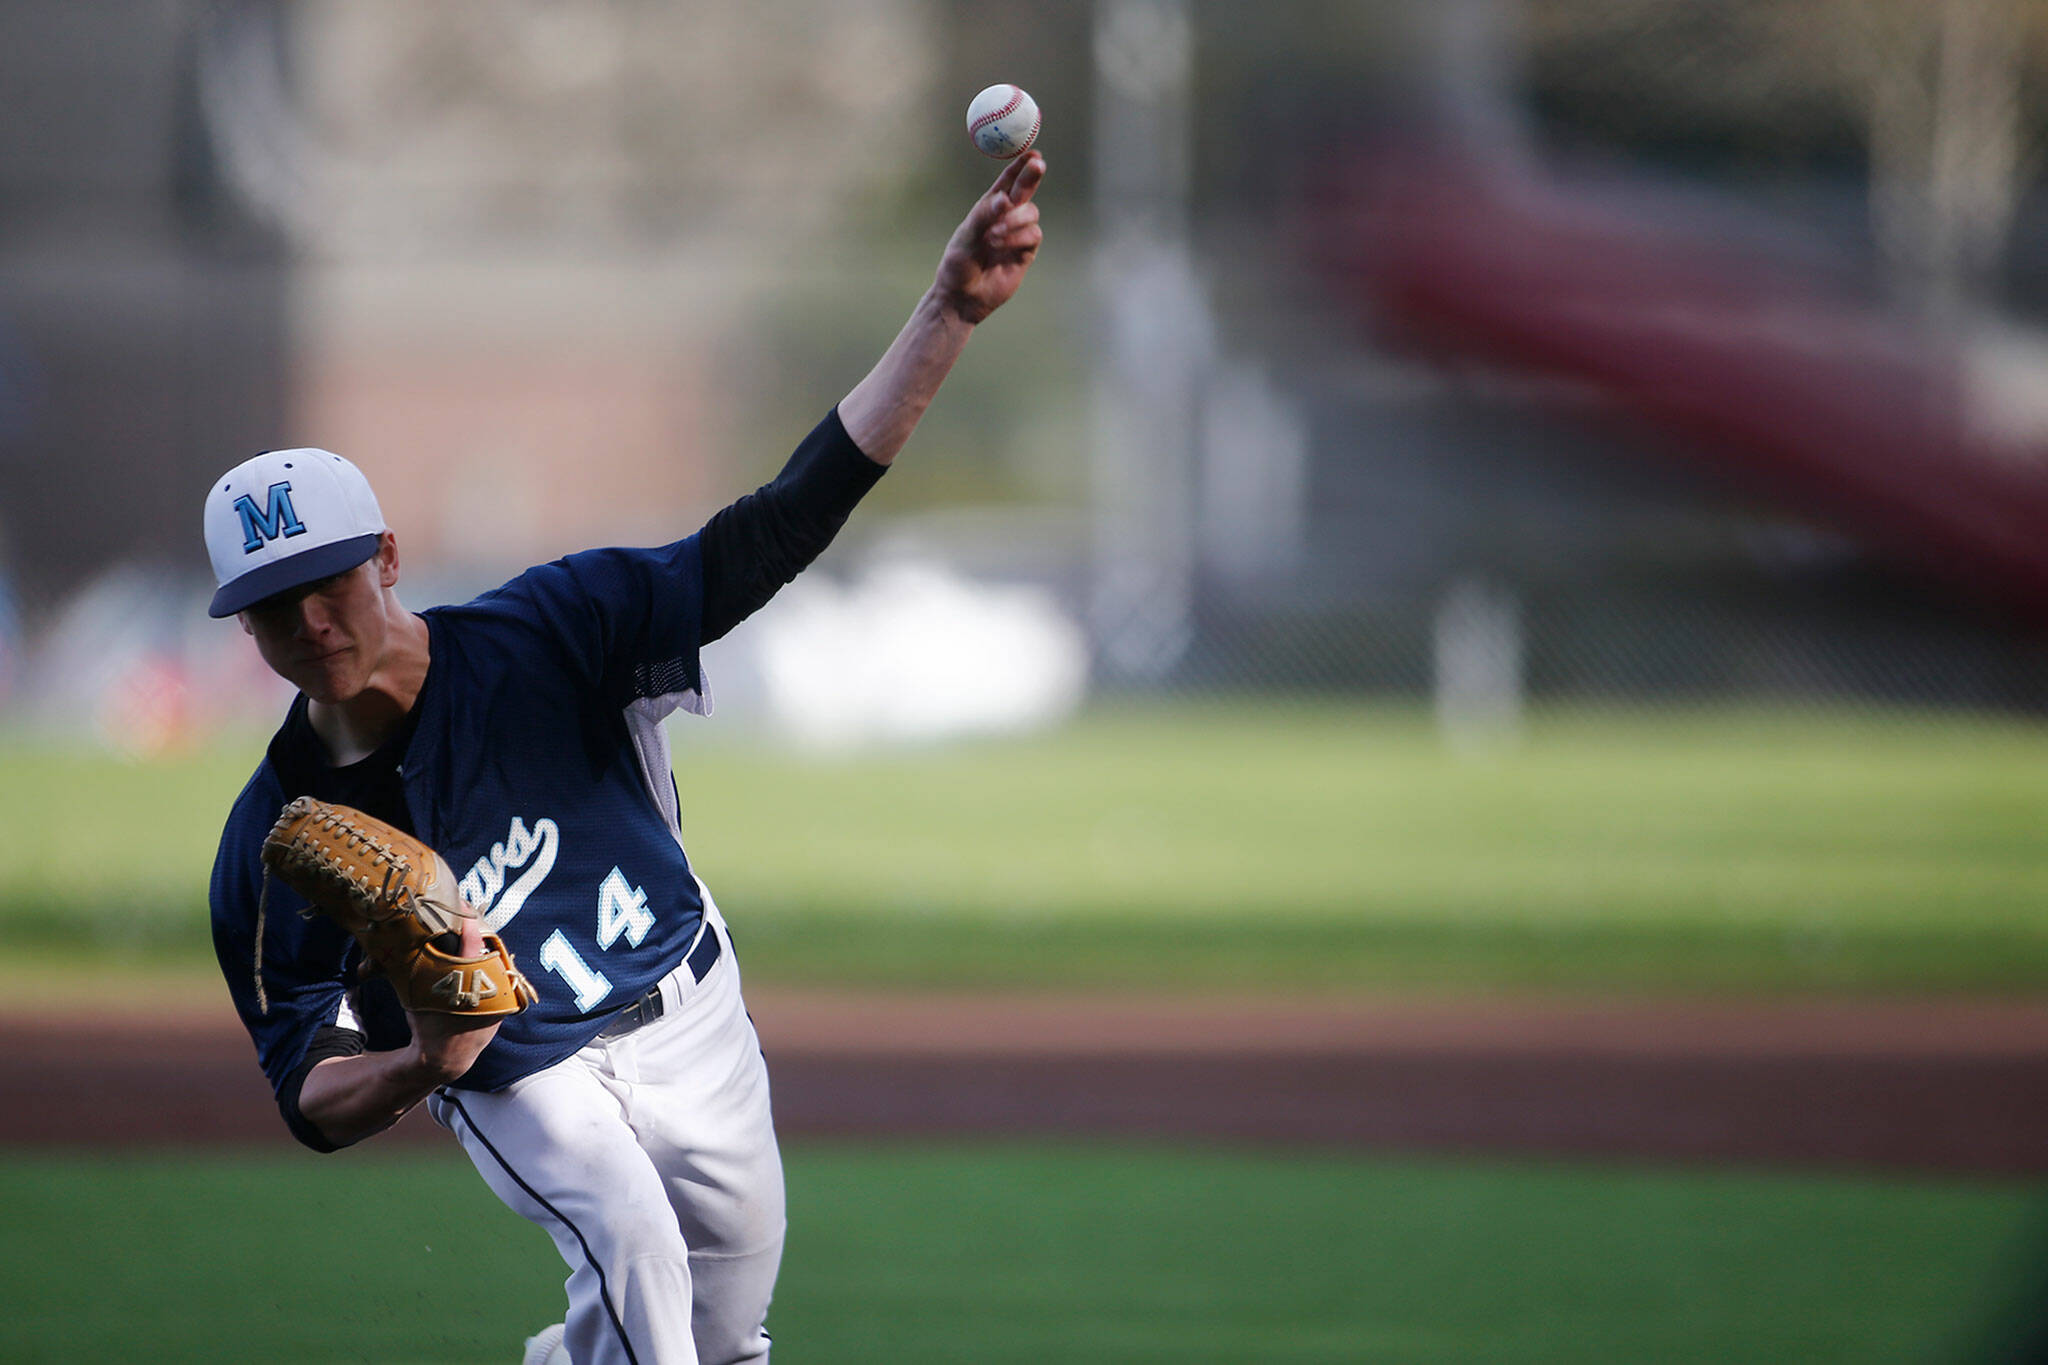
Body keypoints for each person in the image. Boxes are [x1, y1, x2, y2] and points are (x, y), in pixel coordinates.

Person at [204, 151, 1046, 1365]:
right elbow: (306, 1092)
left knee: (725, 1335)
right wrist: (420, 1063)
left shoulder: (554, 631)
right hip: (517, 1074)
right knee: (634, 1248)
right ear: (245, 621)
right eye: (274, 607)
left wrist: (946, 315)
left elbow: (772, 530)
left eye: (327, 583)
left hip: (689, 1002)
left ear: (385, 558)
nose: (313, 626)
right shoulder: (276, 841)